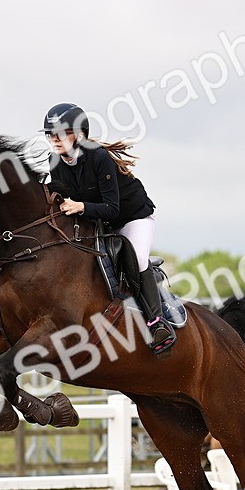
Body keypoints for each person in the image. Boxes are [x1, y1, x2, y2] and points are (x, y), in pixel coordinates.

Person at [42, 102, 175, 355]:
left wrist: (80, 206)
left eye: (61, 133)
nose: (55, 139)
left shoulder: (98, 157)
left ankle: (157, 323)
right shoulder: (55, 161)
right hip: (100, 223)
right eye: (50, 134)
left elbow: (112, 209)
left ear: (79, 134)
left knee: (137, 259)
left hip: (132, 217)